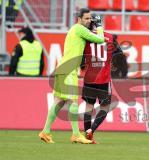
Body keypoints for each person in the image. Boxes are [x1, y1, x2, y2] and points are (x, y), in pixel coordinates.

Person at [38, 8, 105, 144]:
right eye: (86, 18)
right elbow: (100, 39)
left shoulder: (76, 30)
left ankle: (45, 132)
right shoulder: (79, 29)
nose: (88, 21)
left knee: (59, 102)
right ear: (79, 19)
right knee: (73, 101)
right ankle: (75, 134)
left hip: (63, 68)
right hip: (68, 70)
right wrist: (99, 26)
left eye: (89, 19)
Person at [81, 14, 124, 144]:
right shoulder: (110, 37)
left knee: (89, 106)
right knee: (105, 106)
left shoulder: (85, 38)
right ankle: (91, 131)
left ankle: (86, 134)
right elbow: (119, 54)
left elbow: (80, 57)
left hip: (89, 78)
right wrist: (112, 64)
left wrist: (83, 64)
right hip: (104, 79)